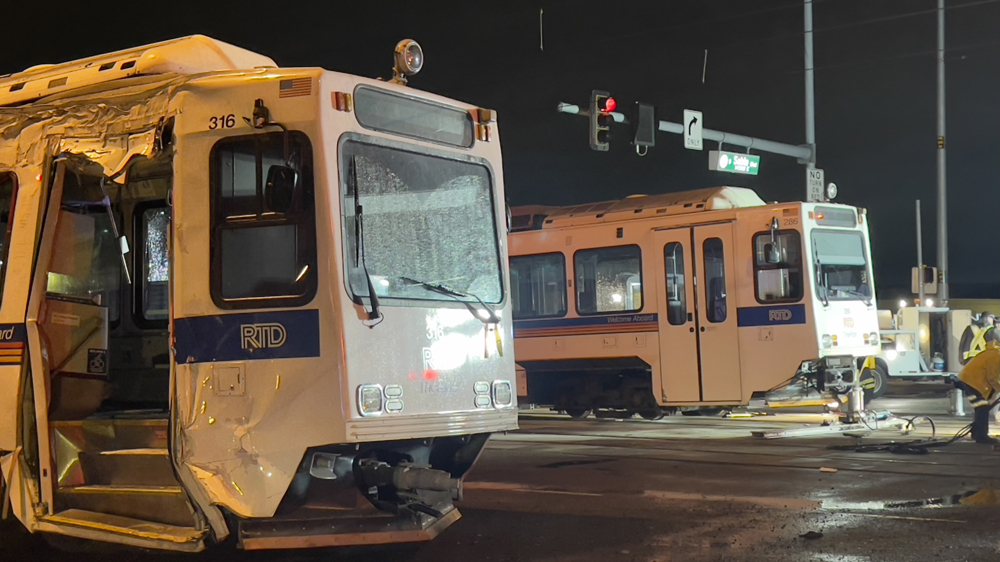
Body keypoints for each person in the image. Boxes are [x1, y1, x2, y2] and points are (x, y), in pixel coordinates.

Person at [955, 341, 1000, 444]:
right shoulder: (996, 355)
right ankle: (981, 436)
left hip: (970, 380)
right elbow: (992, 378)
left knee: (982, 406)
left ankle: (977, 432)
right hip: (971, 381)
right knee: (982, 407)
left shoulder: (994, 352)